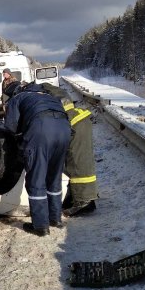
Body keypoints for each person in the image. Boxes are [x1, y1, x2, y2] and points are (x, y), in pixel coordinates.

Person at [4, 83, 71, 236]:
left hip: (41, 130)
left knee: (37, 178)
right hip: (64, 130)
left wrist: (20, 139)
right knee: (54, 177)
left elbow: (10, 126)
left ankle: (41, 226)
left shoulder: (18, 97)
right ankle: (55, 218)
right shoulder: (49, 96)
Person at [39, 83, 98, 217]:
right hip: (76, 120)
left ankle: (84, 202)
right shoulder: (46, 88)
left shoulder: (37, 94)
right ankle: (77, 197)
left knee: (77, 163)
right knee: (75, 160)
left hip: (71, 123)